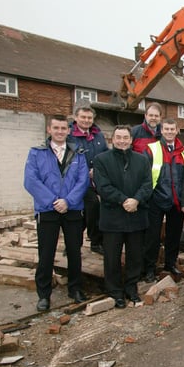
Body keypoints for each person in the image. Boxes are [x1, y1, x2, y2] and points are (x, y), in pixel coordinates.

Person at [24, 114, 90, 311]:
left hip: (72, 209)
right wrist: (53, 202)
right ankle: (44, 295)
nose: (60, 132)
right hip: (48, 210)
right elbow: (31, 181)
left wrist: (68, 201)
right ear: (49, 130)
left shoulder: (78, 153)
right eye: (56, 128)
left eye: (63, 128)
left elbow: (83, 180)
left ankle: (75, 289)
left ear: (69, 130)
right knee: (46, 253)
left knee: (74, 251)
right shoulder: (37, 153)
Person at [93, 125, 153, 309]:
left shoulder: (142, 160)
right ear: (112, 139)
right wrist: (124, 200)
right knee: (112, 257)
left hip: (136, 217)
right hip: (113, 218)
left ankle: (131, 289)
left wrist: (136, 200)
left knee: (135, 257)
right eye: (118, 137)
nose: (122, 141)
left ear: (131, 139)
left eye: (125, 137)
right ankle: (115, 291)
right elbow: (103, 186)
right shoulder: (101, 160)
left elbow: (147, 184)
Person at [142, 118, 184, 282]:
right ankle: (149, 268)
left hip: (176, 201)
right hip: (155, 199)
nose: (170, 132)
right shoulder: (151, 149)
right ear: (161, 131)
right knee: (152, 237)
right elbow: (145, 174)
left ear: (177, 130)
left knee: (174, 236)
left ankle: (170, 264)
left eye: (172, 129)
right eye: (166, 129)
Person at [68, 104, 108, 255]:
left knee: (94, 210)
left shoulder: (98, 135)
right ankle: (76, 244)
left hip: (96, 180)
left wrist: (98, 170)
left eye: (89, 117)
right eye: (83, 117)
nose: (86, 120)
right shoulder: (69, 135)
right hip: (75, 182)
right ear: (75, 117)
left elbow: (105, 155)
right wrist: (84, 172)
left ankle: (95, 241)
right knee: (83, 211)